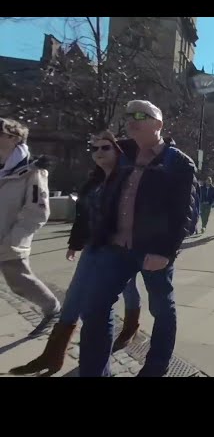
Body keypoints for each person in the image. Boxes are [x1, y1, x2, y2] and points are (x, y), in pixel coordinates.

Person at [78, 100, 197, 377]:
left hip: (153, 250)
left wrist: (166, 252)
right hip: (116, 247)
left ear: (158, 124)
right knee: (95, 306)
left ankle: (155, 368)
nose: (132, 119)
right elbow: (97, 184)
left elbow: (184, 214)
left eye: (141, 115)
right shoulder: (121, 152)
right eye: (129, 114)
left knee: (161, 308)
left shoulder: (178, 162)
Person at [10, 131, 141, 376]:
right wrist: (74, 243)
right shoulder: (94, 181)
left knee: (105, 304)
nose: (99, 153)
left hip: (117, 249)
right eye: (95, 149)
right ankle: (53, 355)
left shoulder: (127, 179)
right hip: (93, 247)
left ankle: (121, 338)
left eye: (106, 148)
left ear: (118, 152)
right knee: (73, 300)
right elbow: (82, 216)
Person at [0, 118, 61, 336]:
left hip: (10, 241)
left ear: (13, 138)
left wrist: (14, 240)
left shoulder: (33, 171)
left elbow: (38, 212)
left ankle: (53, 310)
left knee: (19, 281)